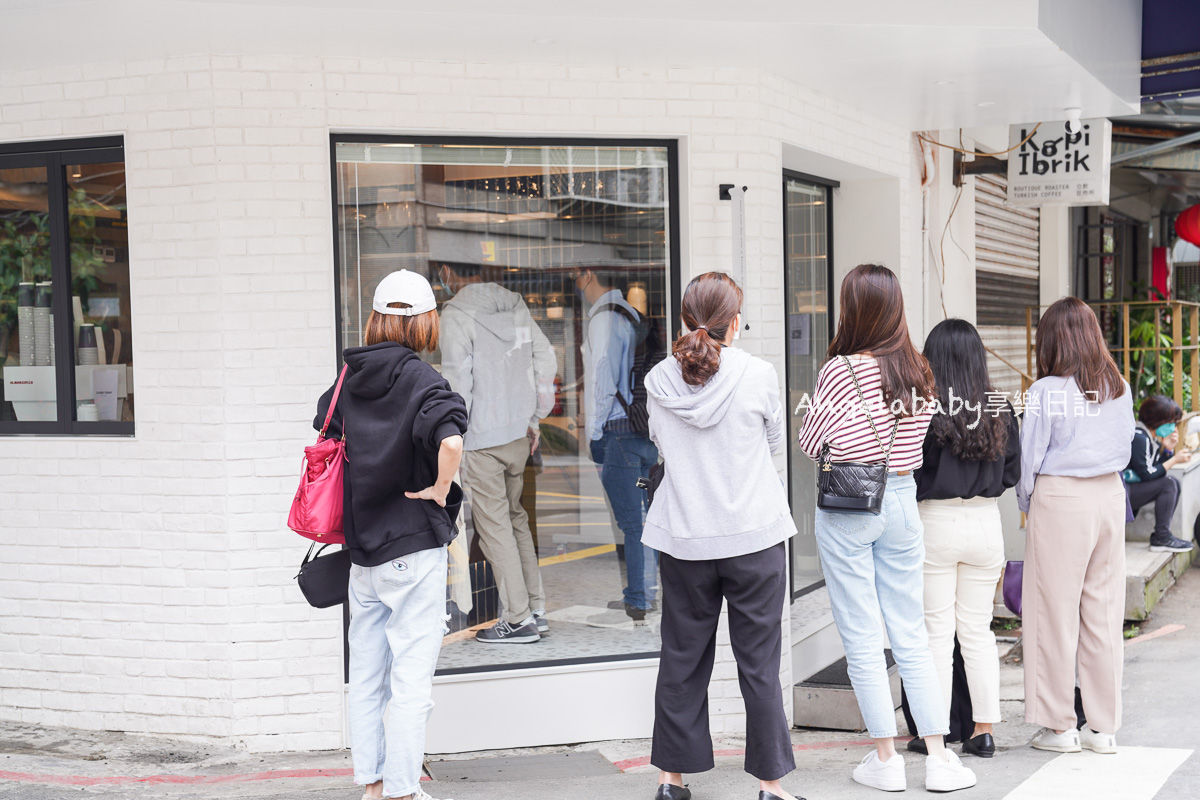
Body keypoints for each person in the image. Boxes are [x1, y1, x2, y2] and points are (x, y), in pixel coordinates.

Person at [798, 264, 976, 793]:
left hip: (849, 504)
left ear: (853, 309)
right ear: (896, 309)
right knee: (912, 633)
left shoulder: (839, 370)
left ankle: (885, 759)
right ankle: (940, 758)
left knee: (860, 634)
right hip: (901, 500)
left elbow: (811, 443)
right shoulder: (919, 369)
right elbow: (917, 443)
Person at [644, 272, 802, 800]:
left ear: (688, 319)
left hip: (685, 536)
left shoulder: (658, 380)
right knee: (760, 663)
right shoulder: (758, 373)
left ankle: (671, 780)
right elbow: (776, 446)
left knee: (682, 657)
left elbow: (661, 446)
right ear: (734, 322)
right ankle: (770, 784)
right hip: (754, 536)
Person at [315, 269, 468, 800]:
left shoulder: (346, 380)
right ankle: (403, 791)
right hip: (412, 551)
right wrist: (439, 490)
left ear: (378, 319)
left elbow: (327, 431)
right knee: (409, 682)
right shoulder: (424, 382)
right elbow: (450, 443)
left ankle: (373, 785)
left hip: (362, 556)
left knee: (367, 675)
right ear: (426, 321)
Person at [1018, 296, 1134, 756]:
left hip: (1061, 497)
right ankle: (1102, 729)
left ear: (1051, 340)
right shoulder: (1118, 386)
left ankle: (1059, 726)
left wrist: (1029, 503)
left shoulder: (1045, 390)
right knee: (1103, 615)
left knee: (1053, 615)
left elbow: (1030, 462)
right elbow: (1125, 443)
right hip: (1109, 494)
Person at [910, 318, 1020, 759]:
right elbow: (1011, 471)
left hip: (934, 522)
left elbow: (910, 470)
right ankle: (984, 730)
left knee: (936, 632)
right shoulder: (999, 406)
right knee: (978, 632)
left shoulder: (924, 406)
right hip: (985, 524)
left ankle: (934, 734)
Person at [438, 262, 559, 644]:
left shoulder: (455, 316)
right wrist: (535, 416)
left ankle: (518, 618)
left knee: (494, 529)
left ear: (448, 271)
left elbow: (460, 382)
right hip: (518, 433)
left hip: (482, 438)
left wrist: (454, 434)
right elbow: (545, 358)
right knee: (515, 519)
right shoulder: (515, 306)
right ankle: (535, 609)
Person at [574, 267, 660, 627]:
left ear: (588, 275)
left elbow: (601, 380)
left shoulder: (603, 319)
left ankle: (639, 599)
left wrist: (593, 434)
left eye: (576, 276)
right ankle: (643, 593)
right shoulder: (632, 314)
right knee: (647, 518)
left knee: (632, 524)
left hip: (619, 435)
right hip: (643, 434)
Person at [1123, 393, 1193, 553]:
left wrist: (1167, 449)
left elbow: (1153, 467)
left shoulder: (1147, 437)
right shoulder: (1140, 438)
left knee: (1172, 482)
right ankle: (1161, 537)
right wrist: (1174, 460)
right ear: (1158, 421)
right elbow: (1148, 475)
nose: (1174, 428)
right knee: (1168, 483)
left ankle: (1162, 535)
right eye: (1171, 423)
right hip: (1125, 493)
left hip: (1131, 491)